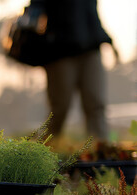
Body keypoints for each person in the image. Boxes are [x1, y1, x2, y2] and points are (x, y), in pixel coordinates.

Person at [40, 0, 118, 142]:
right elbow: (36, 8)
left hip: (91, 49)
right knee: (59, 108)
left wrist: (108, 40)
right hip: (60, 52)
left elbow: (93, 15)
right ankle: (41, 152)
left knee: (96, 103)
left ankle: (100, 151)